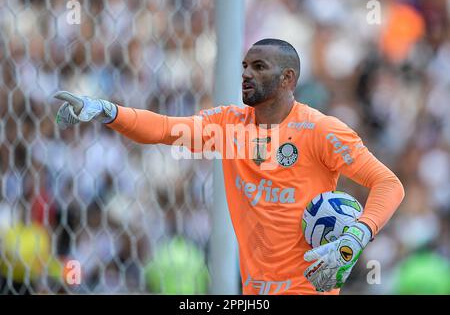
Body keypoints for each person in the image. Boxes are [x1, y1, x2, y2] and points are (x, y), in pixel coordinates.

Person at [53, 38, 405, 295]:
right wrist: (108, 111)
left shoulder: (321, 130)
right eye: (245, 66)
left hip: (308, 288)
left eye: (259, 67)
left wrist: (355, 238)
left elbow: (389, 184)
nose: (246, 74)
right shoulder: (229, 125)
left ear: (288, 79)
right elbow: (163, 129)